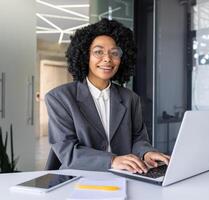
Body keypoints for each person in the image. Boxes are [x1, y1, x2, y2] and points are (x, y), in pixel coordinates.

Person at [45, 18, 170, 173]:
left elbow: (138, 138)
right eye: (98, 52)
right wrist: (112, 160)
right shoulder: (60, 98)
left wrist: (146, 152)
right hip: (78, 178)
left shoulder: (130, 98)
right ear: (85, 55)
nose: (107, 59)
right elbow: (67, 151)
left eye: (114, 53)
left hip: (124, 176)